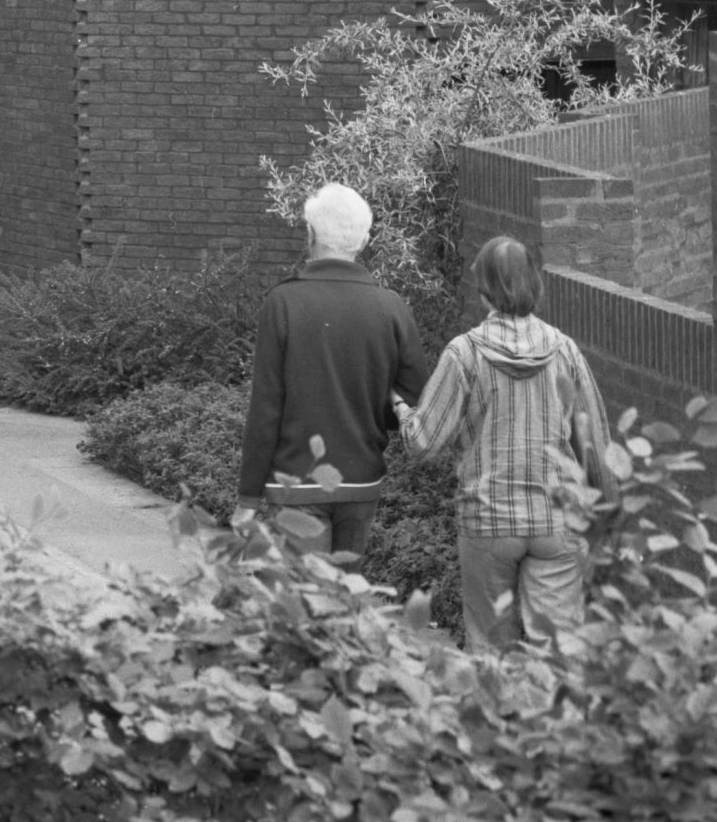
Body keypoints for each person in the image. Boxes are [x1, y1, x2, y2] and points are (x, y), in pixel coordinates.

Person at [401, 236, 617, 658]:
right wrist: (609, 520)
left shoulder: (463, 354)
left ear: (484, 292)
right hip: (556, 519)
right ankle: (548, 722)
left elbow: (423, 442)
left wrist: (400, 410)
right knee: (555, 650)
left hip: (488, 520)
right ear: (534, 284)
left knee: (490, 648)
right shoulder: (564, 349)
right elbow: (594, 446)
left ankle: (498, 720)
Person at [235, 182, 425, 559]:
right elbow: (414, 396)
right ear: (365, 239)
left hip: (298, 482)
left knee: (307, 603)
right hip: (362, 480)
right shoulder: (391, 307)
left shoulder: (283, 303)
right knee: (344, 600)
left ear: (309, 234)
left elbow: (266, 408)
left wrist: (248, 498)